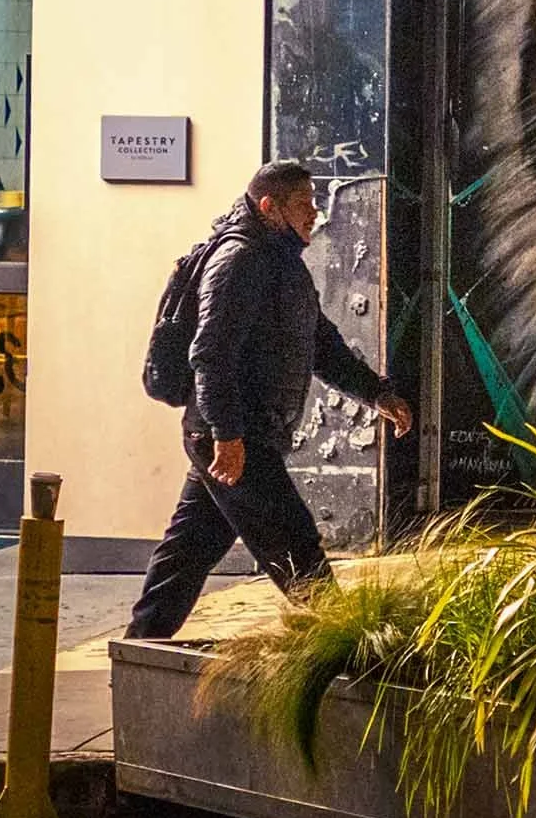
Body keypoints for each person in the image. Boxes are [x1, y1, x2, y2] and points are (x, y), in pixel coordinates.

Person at [126, 160, 413, 639]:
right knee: (296, 546)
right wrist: (227, 435)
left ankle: (139, 646)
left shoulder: (281, 262)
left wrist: (376, 392)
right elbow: (210, 355)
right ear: (269, 206)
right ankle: (347, 647)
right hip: (235, 434)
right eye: (304, 204)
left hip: (237, 433)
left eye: (315, 203)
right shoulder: (240, 260)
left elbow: (321, 344)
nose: (315, 214)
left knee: (188, 552)